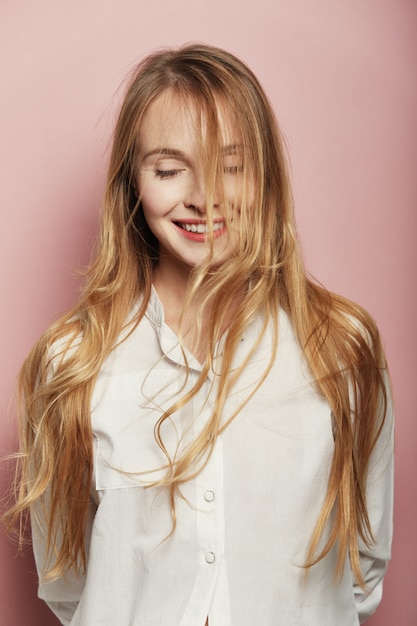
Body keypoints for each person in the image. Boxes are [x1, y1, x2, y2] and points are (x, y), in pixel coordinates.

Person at [3, 44, 393, 625]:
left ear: (265, 174)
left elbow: (363, 565)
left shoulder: (342, 346)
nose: (203, 197)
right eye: (167, 169)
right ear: (132, 183)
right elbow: (73, 584)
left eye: (231, 166)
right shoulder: (72, 362)